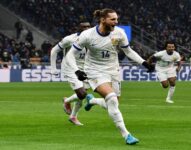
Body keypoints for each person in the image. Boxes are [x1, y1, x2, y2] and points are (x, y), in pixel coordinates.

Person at [66, 8, 154, 145]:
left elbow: (128, 51)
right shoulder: (87, 35)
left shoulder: (119, 33)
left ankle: (92, 101)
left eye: (116, 19)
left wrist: (143, 62)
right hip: (94, 71)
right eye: (112, 19)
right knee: (112, 99)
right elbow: (70, 54)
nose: (116, 22)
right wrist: (77, 70)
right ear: (102, 20)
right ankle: (127, 135)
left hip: (113, 71)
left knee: (114, 103)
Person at [50, 21, 100, 126]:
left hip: (85, 68)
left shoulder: (93, 39)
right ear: (78, 28)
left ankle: (72, 115)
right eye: (83, 27)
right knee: (82, 94)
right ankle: (68, 102)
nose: (86, 28)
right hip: (70, 68)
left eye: (88, 27)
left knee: (81, 95)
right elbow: (54, 50)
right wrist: (53, 68)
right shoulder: (69, 39)